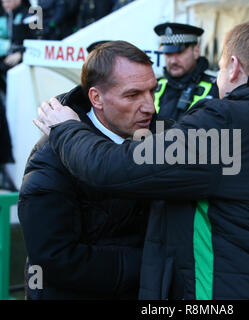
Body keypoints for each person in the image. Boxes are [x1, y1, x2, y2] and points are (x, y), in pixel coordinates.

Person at [35, 21, 249, 299]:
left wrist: (64, 127)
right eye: (134, 95)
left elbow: (112, 168)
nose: (148, 105)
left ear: (232, 66)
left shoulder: (232, 122)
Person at [18, 41, 156, 299]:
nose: (150, 106)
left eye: (152, 91)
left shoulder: (160, 138)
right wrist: (153, 262)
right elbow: (56, 259)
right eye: (133, 95)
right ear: (96, 98)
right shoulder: (50, 159)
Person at [153, 22, 219, 121]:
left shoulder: (216, 89)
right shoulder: (154, 87)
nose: (173, 61)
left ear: (196, 51)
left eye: (179, 53)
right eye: (168, 54)